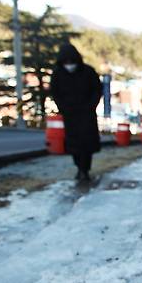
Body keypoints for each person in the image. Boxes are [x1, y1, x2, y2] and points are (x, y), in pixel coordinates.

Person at [50, 43, 102, 181]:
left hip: (87, 114)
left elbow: (97, 90)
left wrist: (91, 106)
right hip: (70, 115)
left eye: (71, 62)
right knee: (74, 145)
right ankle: (79, 168)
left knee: (87, 144)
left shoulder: (88, 72)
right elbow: (55, 93)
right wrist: (63, 108)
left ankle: (85, 169)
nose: (69, 65)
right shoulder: (58, 75)